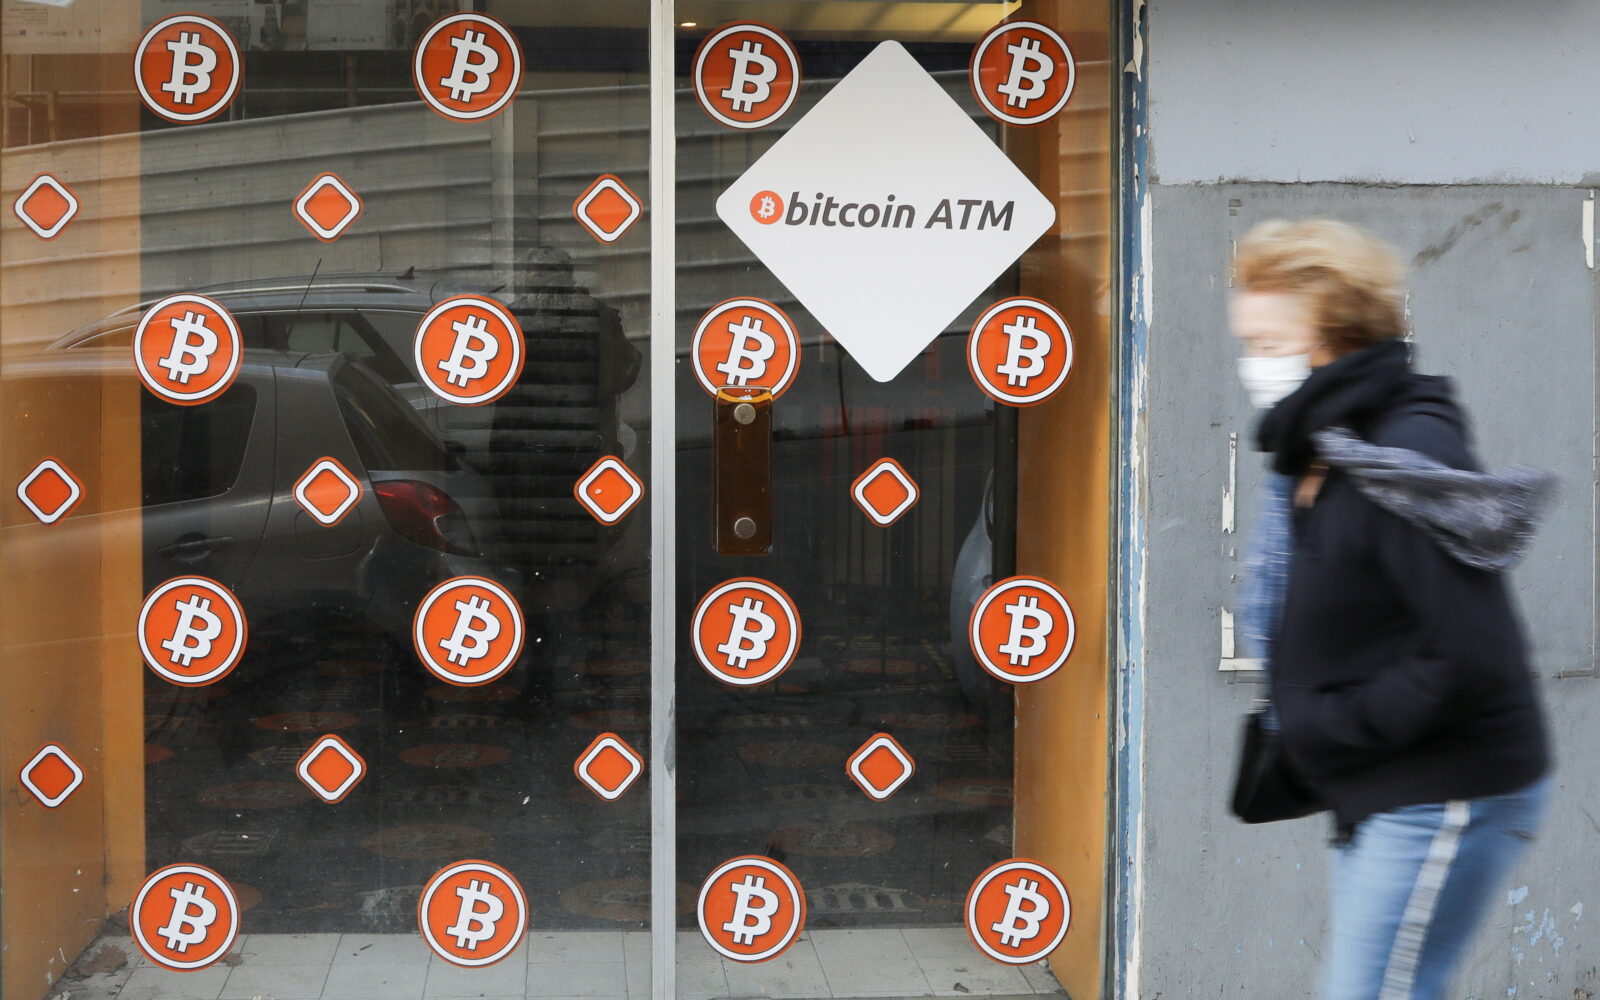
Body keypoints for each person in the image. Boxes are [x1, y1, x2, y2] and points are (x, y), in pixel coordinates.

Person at [1228, 218, 1555, 1000]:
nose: (1253, 364)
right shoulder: (1319, 448)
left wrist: (1327, 724)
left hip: (1443, 787)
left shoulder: (1401, 455)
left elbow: (1470, 655)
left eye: (1270, 343)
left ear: (1335, 337)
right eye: (1248, 342)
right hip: (1378, 787)